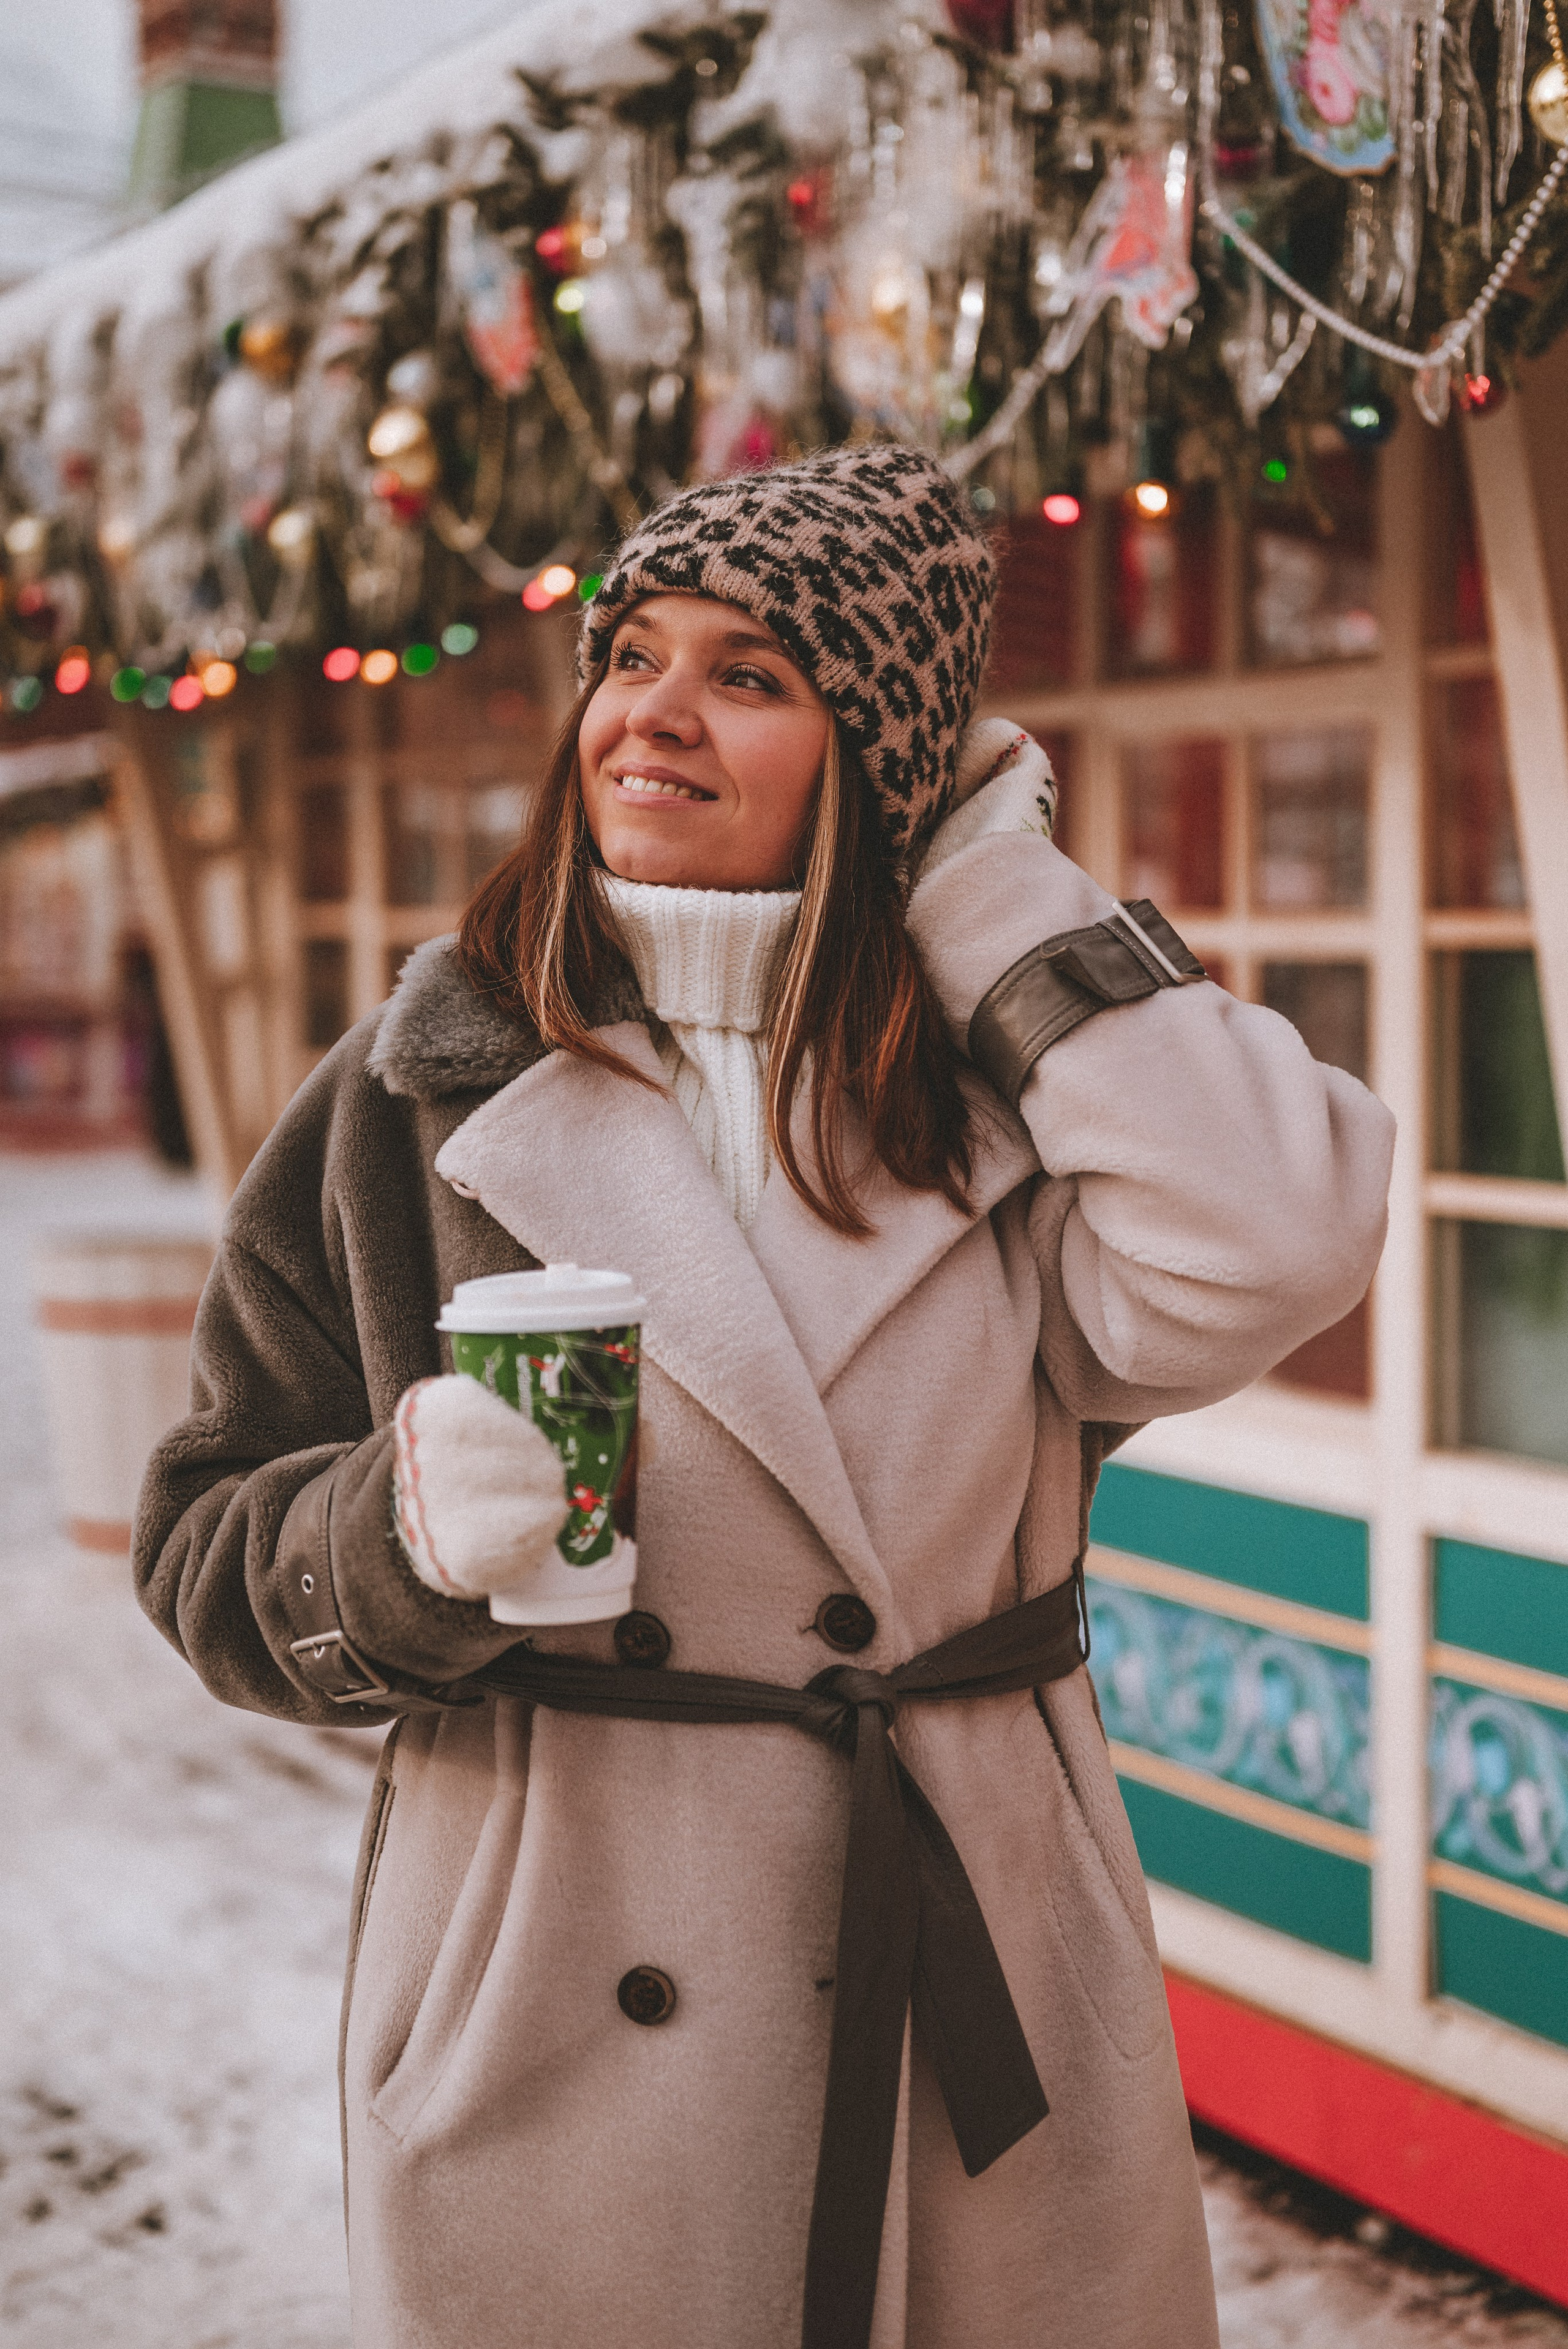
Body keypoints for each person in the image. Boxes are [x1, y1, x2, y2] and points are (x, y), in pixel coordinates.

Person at [135, 444, 1395, 2349]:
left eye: (751, 674)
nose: (652, 711)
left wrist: (984, 891)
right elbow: (207, 1543)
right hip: (559, 1986)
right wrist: (391, 1540)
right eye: (632, 653)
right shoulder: (413, 1092)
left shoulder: (1003, 1097)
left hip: (974, 1990)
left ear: (880, 757)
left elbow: (1284, 1236)